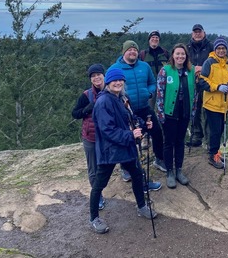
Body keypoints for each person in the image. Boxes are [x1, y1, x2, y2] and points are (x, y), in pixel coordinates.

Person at [88, 68, 157, 234]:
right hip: (110, 150)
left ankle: (141, 206)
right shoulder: (103, 101)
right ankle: (94, 218)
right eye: (114, 81)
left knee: (137, 174)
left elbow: (130, 119)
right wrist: (130, 135)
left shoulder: (122, 98)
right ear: (108, 83)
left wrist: (142, 125)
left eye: (120, 80)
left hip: (125, 147)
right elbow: (107, 130)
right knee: (99, 184)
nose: (118, 83)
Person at [108, 40, 165, 186]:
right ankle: (126, 169)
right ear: (124, 52)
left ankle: (159, 158)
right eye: (129, 50)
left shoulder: (144, 66)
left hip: (144, 106)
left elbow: (153, 83)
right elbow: (109, 86)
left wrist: (150, 93)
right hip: (126, 110)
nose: (132, 52)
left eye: (135, 50)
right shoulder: (116, 68)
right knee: (128, 138)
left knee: (157, 131)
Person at [155, 43, 197, 188]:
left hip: (184, 112)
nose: (180, 56)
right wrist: (160, 113)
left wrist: (192, 112)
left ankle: (179, 170)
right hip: (169, 113)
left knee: (180, 141)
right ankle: (170, 172)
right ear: (173, 55)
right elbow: (159, 94)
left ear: (186, 56)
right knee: (169, 143)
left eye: (183, 54)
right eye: (177, 53)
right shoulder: (165, 71)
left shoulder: (190, 71)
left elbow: (195, 94)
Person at [198, 37, 228, 169]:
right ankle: (212, 155)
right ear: (215, 49)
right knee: (214, 130)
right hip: (212, 103)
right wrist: (217, 87)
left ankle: (215, 151)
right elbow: (202, 80)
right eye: (219, 48)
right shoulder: (209, 63)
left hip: (225, 104)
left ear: (226, 50)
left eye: (223, 48)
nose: (221, 51)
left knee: (221, 129)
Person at [71, 63, 107, 210]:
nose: (96, 77)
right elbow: (75, 113)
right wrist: (87, 109)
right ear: (90, 79)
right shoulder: (86, 95)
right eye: (93, 76)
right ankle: (97, 195)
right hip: (91, 137)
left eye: (98, 74)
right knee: (93, 168)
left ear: (103, 75)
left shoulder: (112, 90)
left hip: (107, 136)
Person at [187, 24, 214, 147]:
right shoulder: (187, 47)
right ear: (192, 34)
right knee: (194, 110)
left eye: (199, 31)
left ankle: (209, 139)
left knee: (208, 110)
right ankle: (196, 136)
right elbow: (182, 62)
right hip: (192, 82)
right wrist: (193, 69)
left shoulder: (211, 47)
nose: (197, 34)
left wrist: (202, 69)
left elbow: (216, 62)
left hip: (208, 83)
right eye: (195, 32)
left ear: (204, 33)